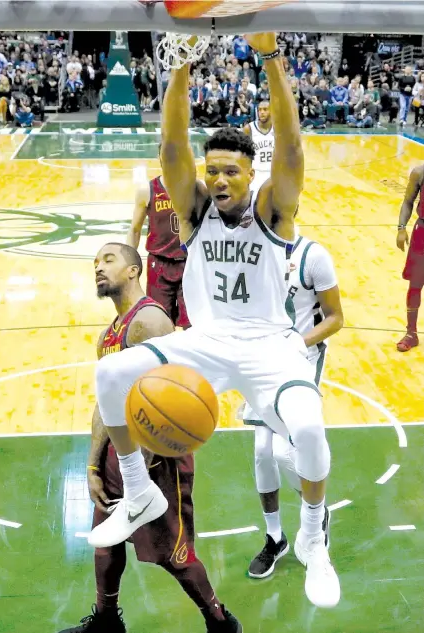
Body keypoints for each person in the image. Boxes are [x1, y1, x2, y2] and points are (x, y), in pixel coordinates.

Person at [90, 32, 341, 609]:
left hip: (271, 346)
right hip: (205, 342)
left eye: (232, 170)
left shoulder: (271, 210)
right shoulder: (196, 210)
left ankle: (310, 536)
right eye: (214, 171)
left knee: (306, 428)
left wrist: (272, 58)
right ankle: (138, 494)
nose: (221, 180)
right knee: (109, 377)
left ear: (251, 173)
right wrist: (178, 68)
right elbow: (171, 148)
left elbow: (293, 152)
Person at [60, 242, 241, 633]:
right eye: (95, 262)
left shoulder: (151, 321)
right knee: (105, 544)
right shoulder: (109, 335)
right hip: (119, 457)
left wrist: (141, 466)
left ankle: (220, 621)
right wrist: (93, 463)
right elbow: (103, 406)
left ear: (133, 270)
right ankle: (107, 621)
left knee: (173, 553)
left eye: (108, 260)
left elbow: (169, 396)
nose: (98, 267)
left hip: (155, 457)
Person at [242, 233, 343, 578]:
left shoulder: (313, 255)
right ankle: (275, 538)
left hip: (301, 361)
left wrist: (296, 343)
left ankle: (314, 513)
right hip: (261, 364)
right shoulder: (249, 251)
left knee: (286, 453)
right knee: (261, 452)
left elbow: (335, 318)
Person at [126, 160, 190, 328]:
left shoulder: (194, 189)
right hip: (159, 264)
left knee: (192, 323)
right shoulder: (147, 190)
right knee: (158, 323)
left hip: (189, 263)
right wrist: (128, 263)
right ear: (161, 158)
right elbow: (134, 229)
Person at [396, 164, 424, 351]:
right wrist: (401, 228)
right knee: (415, 285)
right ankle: (411, 333)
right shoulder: (420, 171)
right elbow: (408, 201)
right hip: (422, 232)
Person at [243, 100, 275, 192]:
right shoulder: (249, 129)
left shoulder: (278, 128)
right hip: (256, 173)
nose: (262, 112)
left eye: (265, 110)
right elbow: (243, 153)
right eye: (259, 110)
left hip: (274, 173)